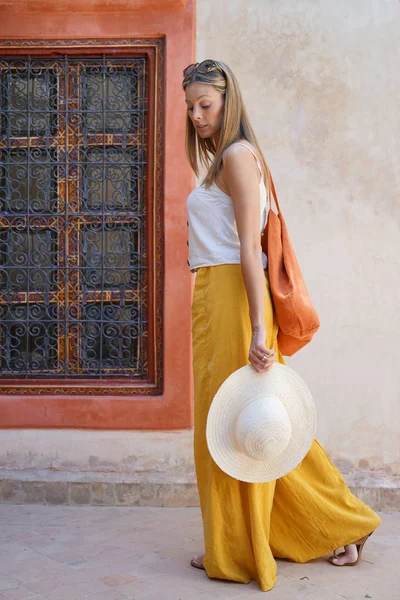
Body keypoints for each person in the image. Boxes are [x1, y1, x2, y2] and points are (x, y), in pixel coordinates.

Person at [183, 59, 381, 592]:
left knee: (245, 424)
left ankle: (338, 523)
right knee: (241, 424)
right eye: (191, 107)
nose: (197, 116)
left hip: (234, 300)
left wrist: (254, 329)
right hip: (215, 296)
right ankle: (232, 542)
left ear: (228, 102)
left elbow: (250, 251)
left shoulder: (238, 156)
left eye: (206, 104)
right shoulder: (225, 159)